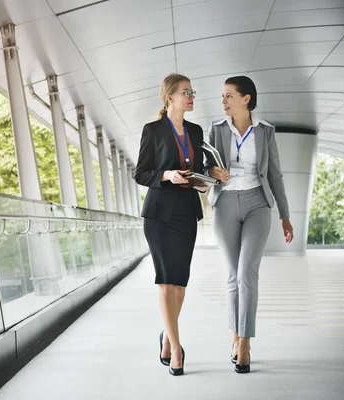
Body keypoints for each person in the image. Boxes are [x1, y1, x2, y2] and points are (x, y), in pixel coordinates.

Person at [205, 76, 294, 373]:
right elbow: (204, 166)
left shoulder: (265, 131)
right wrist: (214, 171)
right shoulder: (216, 129)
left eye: (229, 96)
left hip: (258, 202)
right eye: (222, 96)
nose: (223, 101)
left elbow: (275, 174)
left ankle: (245, 341)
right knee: (232, 276)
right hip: (225, 203)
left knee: (247, 273)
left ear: (246, 98)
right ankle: (235, 336)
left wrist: (284, 214)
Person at [134, 73, 205, 376]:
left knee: (180, 285)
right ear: (170, 97)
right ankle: (176, 348)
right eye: (186, 92)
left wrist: (204, 181)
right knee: (165, 281)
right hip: (160, 215)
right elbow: (141, 173)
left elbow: (198, 169)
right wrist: (167, 175)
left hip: (187, 213)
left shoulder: (196, 131)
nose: (191, 96)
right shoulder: (153, 130)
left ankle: (166, 334)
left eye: (192, 91)